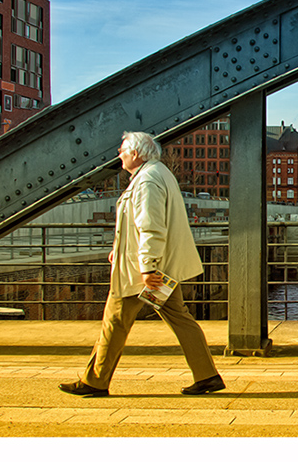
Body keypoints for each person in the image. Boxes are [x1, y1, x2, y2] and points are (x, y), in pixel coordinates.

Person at [59, 131, 224, 397]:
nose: (119, 155)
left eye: (122, 150)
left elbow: (151, 226)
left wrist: (147, 267)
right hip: (157, 268)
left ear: (135, 154)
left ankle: (95, 381)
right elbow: (138, 226)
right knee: (180, 318)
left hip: (140, 273)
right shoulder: (156, 174)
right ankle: (207, 375)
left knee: (115, 320)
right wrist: (119, 249)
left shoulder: (147, 180)